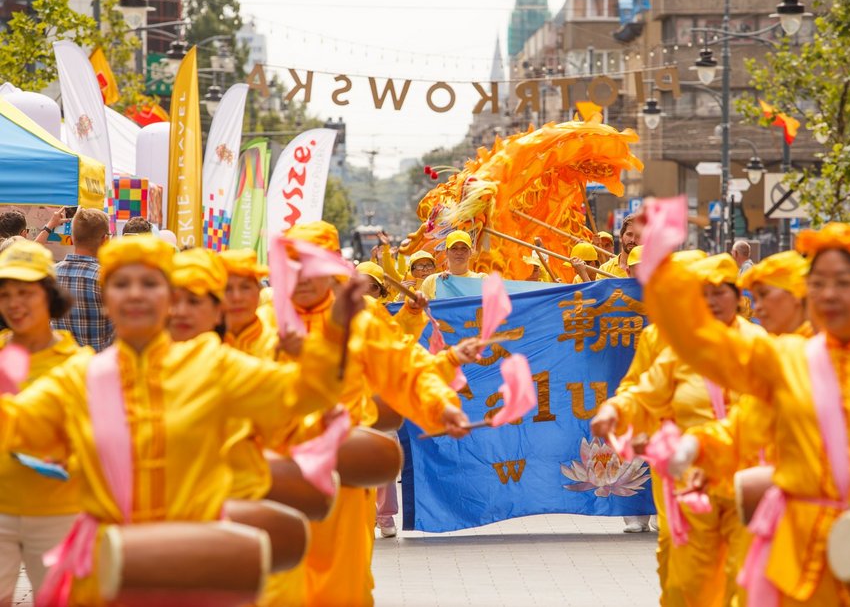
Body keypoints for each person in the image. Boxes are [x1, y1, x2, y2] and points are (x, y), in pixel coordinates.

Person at [0, 234, 352, 605]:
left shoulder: (212, 365)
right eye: (121, 284)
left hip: (197, 564)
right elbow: (16, 427)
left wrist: (333, 334)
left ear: (169, 298)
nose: (135, 294)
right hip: (109, 573)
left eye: (150, 283)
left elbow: (305, 393)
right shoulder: (78, 378)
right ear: (106, 301)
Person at [638, 221, 850, 606]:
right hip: (798, 553)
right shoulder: (787, 360)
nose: (829, 295)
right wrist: (695, 447)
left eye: (844, 283)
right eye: (818, 284)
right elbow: (743, 427)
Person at [260, 221, 475, 606]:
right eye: (294, 265)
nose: (303, 277)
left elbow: (406, 369)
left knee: (346, 583)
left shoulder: (364, 318)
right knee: (279, 582)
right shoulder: (265, 321)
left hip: (345, 472)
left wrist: (440, 404)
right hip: (276, 475)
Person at [592, 253, 769, 606]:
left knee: (746, 569)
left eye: (722, 291)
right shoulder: (668, 341)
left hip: (748, 474)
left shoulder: (760, 344)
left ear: (738, 295)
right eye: (702, 291)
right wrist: (620, 414)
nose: (712, 300)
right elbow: (640, 390)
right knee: (682, 570)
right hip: (683, 473)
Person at [0, 241, 83, 605]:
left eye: (25, 293)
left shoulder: (79, 364)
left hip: (58, 513)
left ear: (49, 295)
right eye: (5, 294)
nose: (14, 304)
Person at [52, 208, 114, 351]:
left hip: (62, 367)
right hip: (99, 368)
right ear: (105, 239)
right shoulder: (107, 279)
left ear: (72, 238)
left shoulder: (50, 275)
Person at [419, 230, 487, 299]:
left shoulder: (482, 280)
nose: (459, 252)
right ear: (446, 252)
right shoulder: (431, 281)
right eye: (454, 248)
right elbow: (421, 308)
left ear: (470, 252)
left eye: (464, 248)